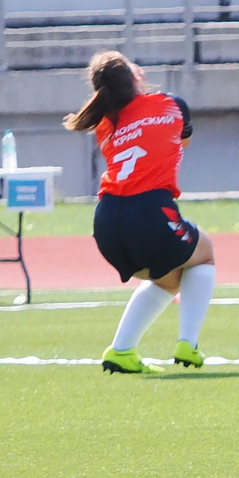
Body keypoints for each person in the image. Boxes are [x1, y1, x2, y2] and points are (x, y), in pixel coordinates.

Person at [66, 51, 218, 373]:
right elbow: (181, 142)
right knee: (204, 254)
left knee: (169, 280)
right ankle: (188, 345)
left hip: (107, 222)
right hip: (149, 213)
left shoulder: (104, 125)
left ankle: (121, 350)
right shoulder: (171, 104)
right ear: (135, 76)